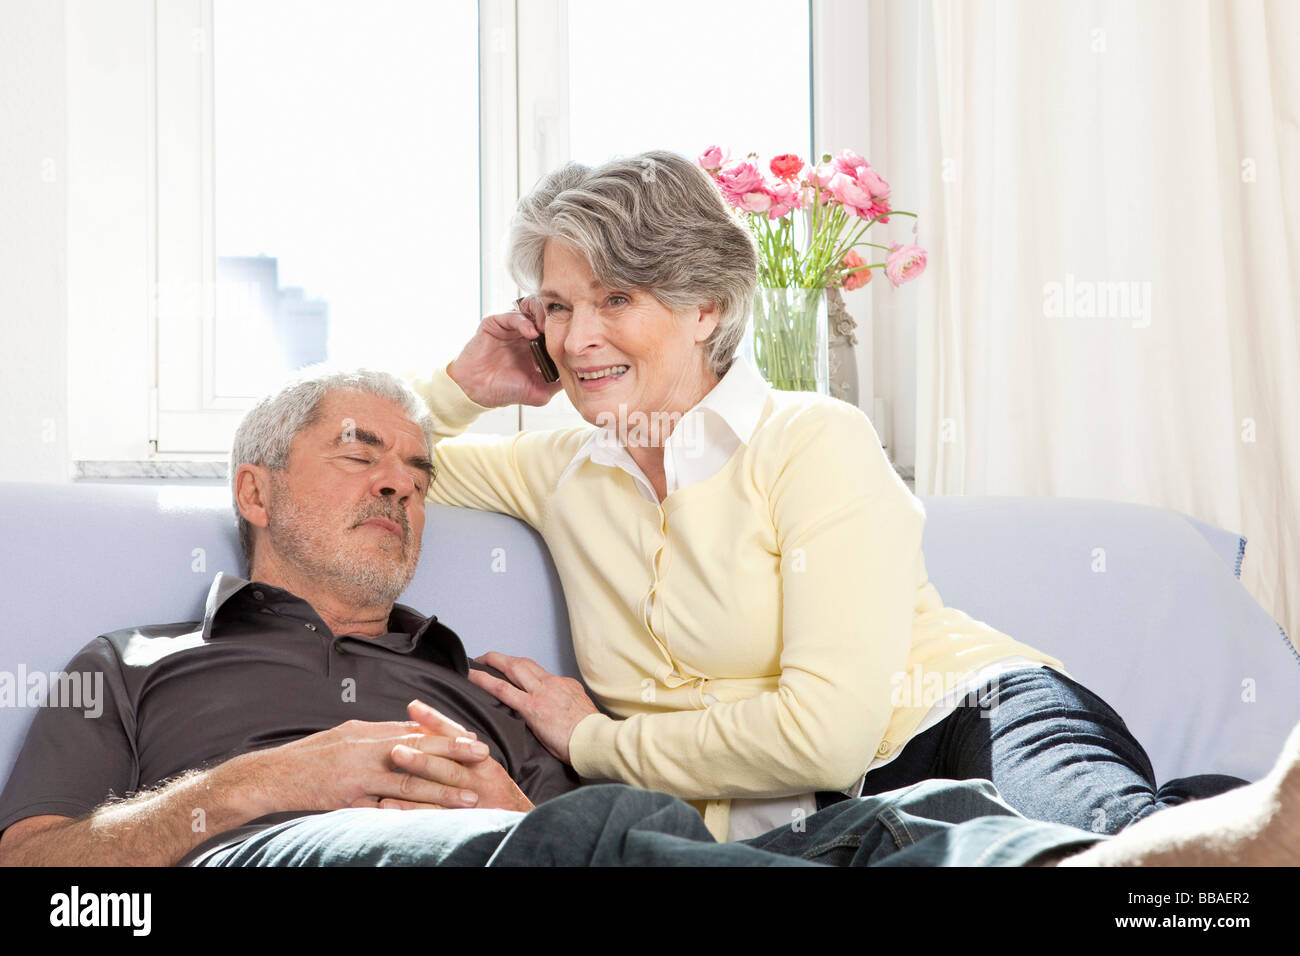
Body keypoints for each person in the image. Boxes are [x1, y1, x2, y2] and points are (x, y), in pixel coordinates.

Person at [3, 364, 1296, 869]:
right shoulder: (137, 663)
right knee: (616, 833)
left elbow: (585, 830)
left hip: (531, 858)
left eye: (418, 467)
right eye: (360, 456)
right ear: (254, 490)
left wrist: (526, 805)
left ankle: (1141, 864)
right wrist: (256, 787)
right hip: (296, 853)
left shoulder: (479, 681)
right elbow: (38, 881)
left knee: (893, 821)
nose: (403, 480)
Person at [410, 149, 1249, 844]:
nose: (577, 336)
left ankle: (1218, 825)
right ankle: (1219, 807)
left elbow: (826, 734)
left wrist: (596, 741)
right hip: (822, 820)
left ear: (705, 306)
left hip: (960, 723)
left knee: (1141, 863)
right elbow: (358, 458)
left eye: (615, 299)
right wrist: (463, 387)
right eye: (556, 307)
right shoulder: (554, 468)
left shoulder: (812, 437)